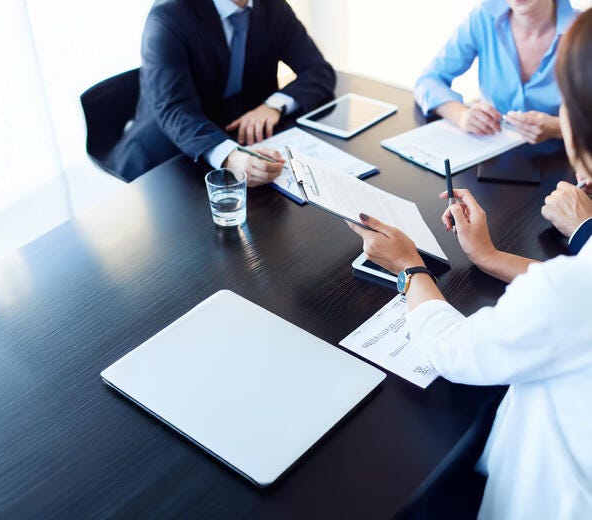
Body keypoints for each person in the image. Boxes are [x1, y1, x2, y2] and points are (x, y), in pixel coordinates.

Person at [348, 9, 592, 518]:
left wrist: (409, 265)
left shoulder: (563, 293)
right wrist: (487, 255)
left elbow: (456, 352)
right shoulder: (486, 18)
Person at [113, 0, 336, 184]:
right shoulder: (168, 15)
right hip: (168, 156)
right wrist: (229, 156)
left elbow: (318, 70)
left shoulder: (272, 7)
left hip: (238, 134)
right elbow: (174, 109)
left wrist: (274, 106)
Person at [415, 0, 578, 144]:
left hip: (566, 162)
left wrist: (558, 128)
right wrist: (461, 115)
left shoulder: (583, 30)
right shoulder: (483, 17)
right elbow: (428, 80)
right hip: (492, 157)